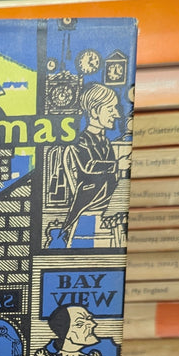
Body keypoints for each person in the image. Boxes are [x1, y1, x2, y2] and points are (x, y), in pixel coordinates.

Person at [60, 82, 130, 247]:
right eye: (111, 109)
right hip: (91, 200)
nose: (117, 114)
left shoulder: (105, 141)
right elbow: (89, 166)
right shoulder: (80, 140)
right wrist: (117, 164)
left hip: (106, 195)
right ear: (94, 112)